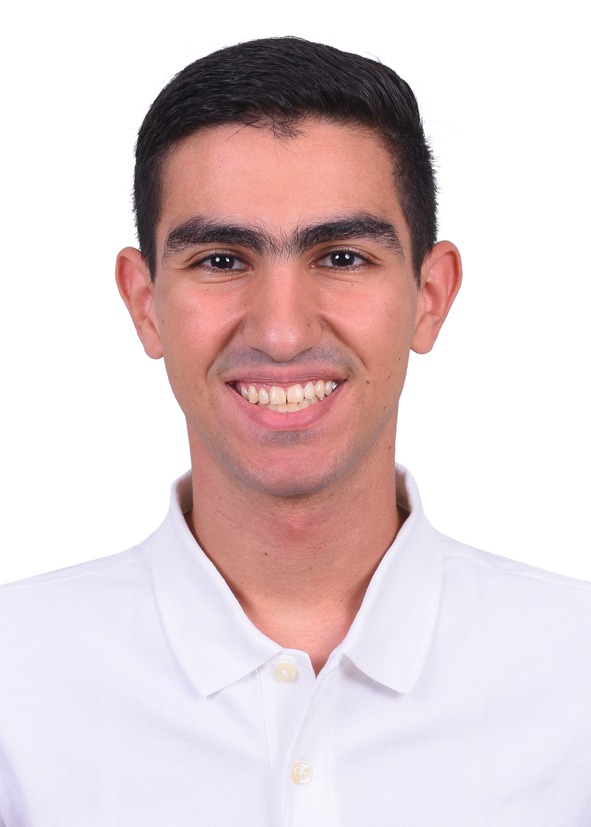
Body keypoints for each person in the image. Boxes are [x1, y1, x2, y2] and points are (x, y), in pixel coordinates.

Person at [0, 36, 590, 826]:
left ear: (429, 296)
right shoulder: (14, 682)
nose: (281, 332)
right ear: (145, 303)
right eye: (220, 260)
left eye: (341, 257)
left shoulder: (576, 675)